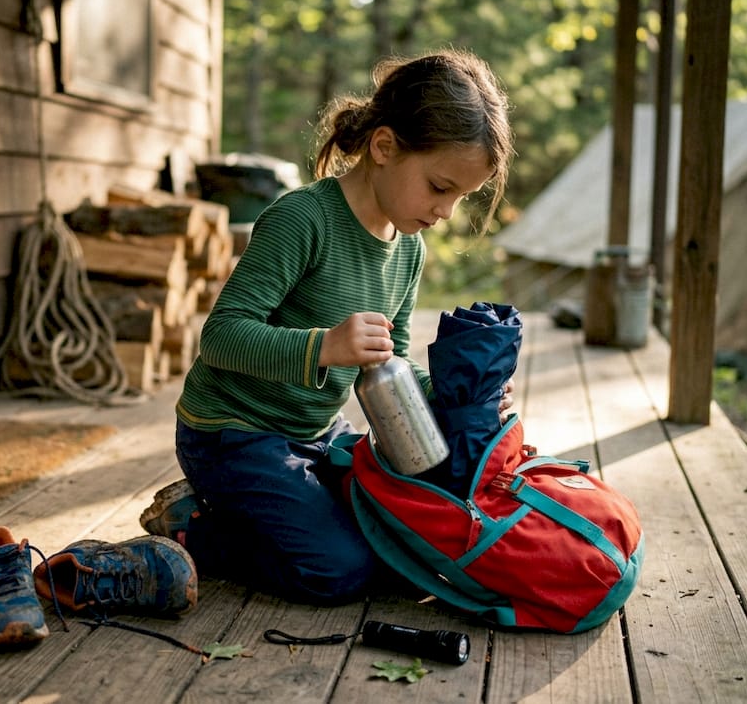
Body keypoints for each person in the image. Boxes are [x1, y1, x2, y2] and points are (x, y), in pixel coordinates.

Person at [141, 49, 515, 605]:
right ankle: (194, 525)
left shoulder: (407, 248)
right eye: (439, 187)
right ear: (384, 147)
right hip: (233, 433)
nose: (446, 212)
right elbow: (219, 336)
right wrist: (325, 347)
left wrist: (459, 394)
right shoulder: (303, 220)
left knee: (405, 548)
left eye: (461, 198)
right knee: (339, 571)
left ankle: (274, 509)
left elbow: (396, 356)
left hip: (318, 433)